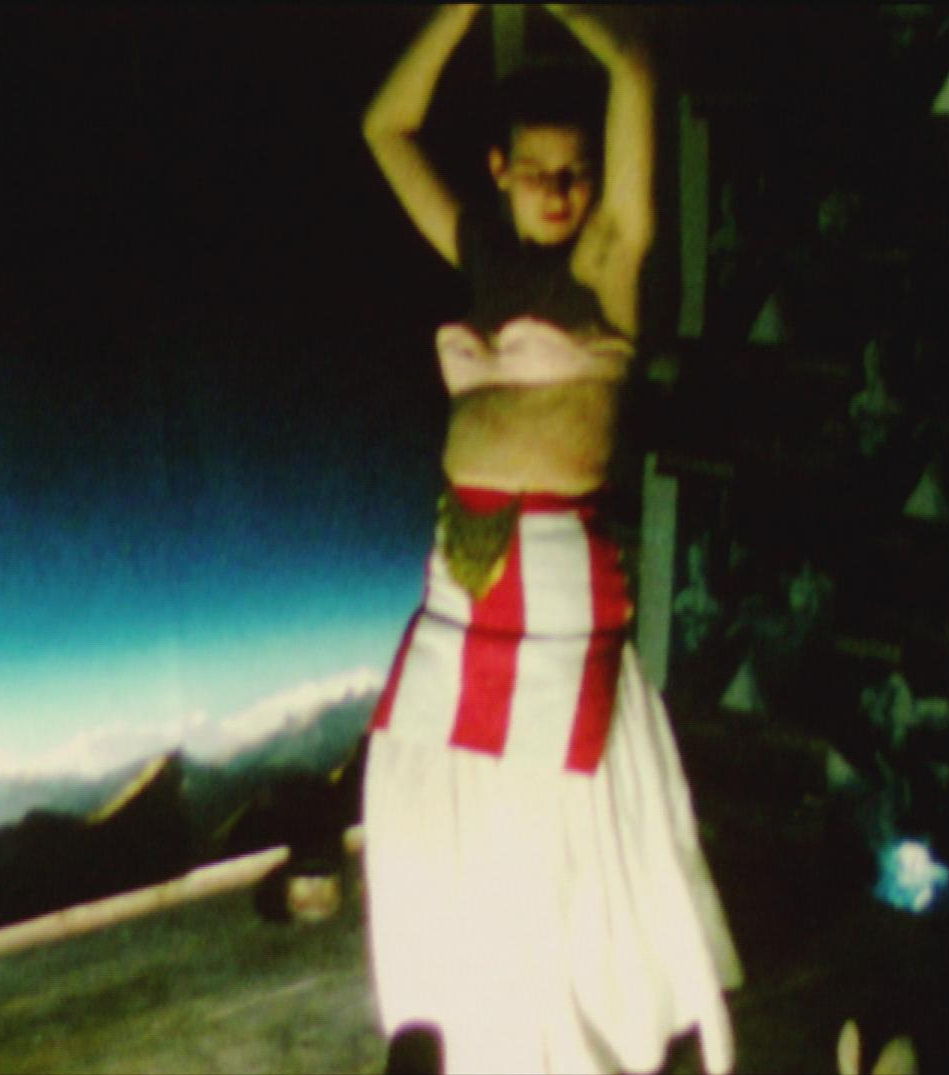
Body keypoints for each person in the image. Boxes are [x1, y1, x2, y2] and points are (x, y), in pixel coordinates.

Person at [360, 5, 742, 1074]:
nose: (562, 190)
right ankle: (460, 1025)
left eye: (577, 171)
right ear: (498, 171)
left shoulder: (608, 261)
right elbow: (384, 128)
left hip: (561, 579)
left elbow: (637, 65)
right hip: (460, 576)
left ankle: (601, 1038)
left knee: (561, 815)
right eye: (537, 172)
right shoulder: (480, 251)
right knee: (429, 790)